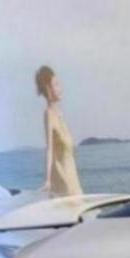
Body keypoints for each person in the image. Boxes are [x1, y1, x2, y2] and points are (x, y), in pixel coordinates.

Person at [35, 65, 82, 197]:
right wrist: (48, 180)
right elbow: (49, 149)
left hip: (72, 180)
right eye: (56, 84)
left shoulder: (59, 114)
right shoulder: (49, 114)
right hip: (64, 182)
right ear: (48, 88)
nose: (60, 88)